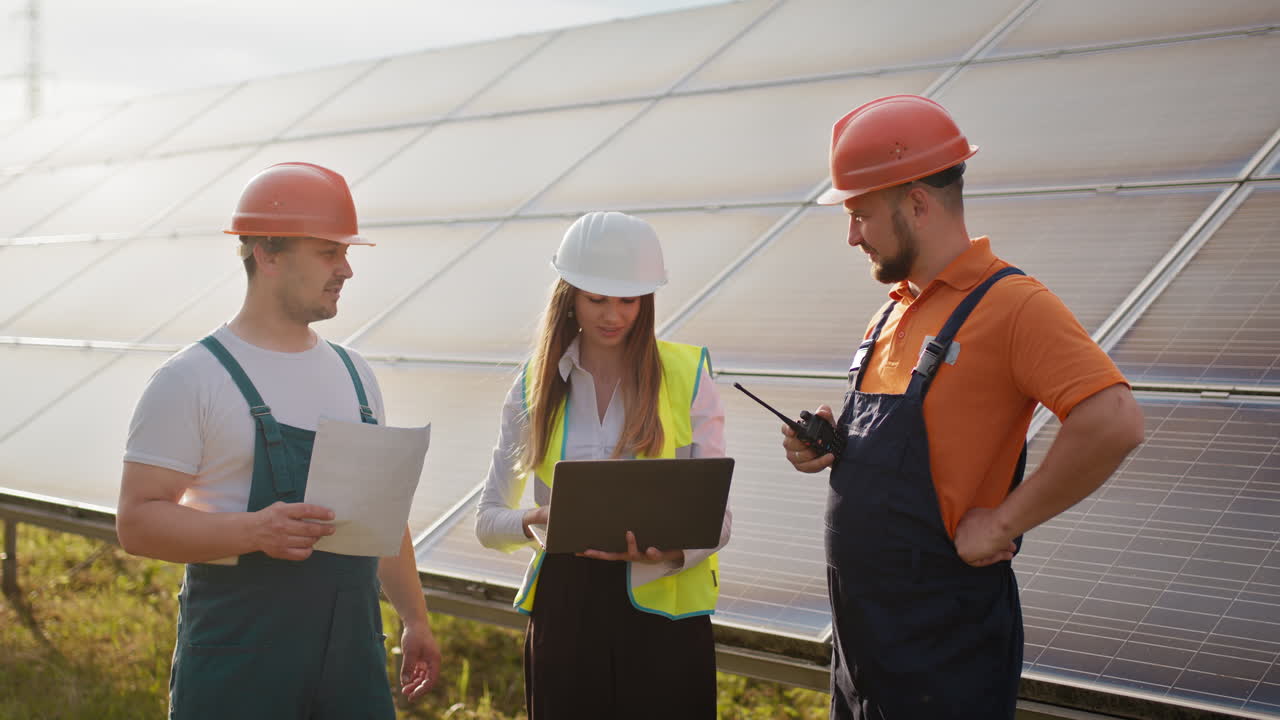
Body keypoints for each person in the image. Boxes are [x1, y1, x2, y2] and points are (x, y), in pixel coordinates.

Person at [781, 95, 1146, 719]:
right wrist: (833, 443)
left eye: (861, 215)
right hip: (862, 655)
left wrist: (1004, 523)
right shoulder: (890, 312)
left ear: (917, 204)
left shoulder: (1014, 305)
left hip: (944, 657)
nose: (851, 236)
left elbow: (1114, 420)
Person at [115, 162, 442, 719]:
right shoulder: (192, 379)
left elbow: (382, 518)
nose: (346, 269)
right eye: (328, 252)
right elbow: (137, 522)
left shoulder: (356, 376)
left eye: (346, 252)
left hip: (351, 666)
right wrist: (254, 531)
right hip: (239, 667)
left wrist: (414, 618)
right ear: (267, 254)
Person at [475, 211, 730, 719]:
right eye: (597, 299)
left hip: (664, 621)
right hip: (566, 614)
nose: (613, 315)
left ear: (646, 300)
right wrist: (536, 520)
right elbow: (488, 522)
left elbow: (718, 522)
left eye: (628, 300)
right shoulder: (533, 385)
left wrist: (668, 551)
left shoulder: (688, 375)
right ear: (569, 296)